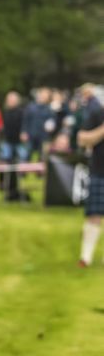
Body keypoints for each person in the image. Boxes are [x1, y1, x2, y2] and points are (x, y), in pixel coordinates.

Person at [75, 84, 104, 267]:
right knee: (94, 214)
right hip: (99, 170)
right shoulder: (97, 113)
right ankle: (86, 257)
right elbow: (82, 139)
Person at [0, 91, 28, 202]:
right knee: (6, 163)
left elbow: (24, 126)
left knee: (20, 164)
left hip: (18, 142)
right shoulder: (6, 112)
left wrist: (23, 133)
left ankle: (18, 186)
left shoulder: (21, 112)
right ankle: (5, 185)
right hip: (8, 141)